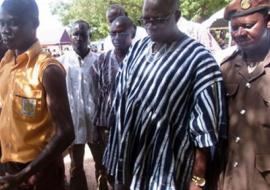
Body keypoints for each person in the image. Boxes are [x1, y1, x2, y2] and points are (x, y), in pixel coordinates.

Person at [103, 0, 227, 189]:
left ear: (176, 16)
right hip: (130, 162)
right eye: (145, 20)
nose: (150, 26)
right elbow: (121, 101)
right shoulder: (138, 49)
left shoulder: (199, 60)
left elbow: (206, 129)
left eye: (158, 20)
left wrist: (197, 179)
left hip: (166, 169)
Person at [0, 0, 75, 189]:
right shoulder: (6, 64)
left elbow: (66, 132)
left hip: (40, 171)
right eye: (1, 23)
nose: (5, 30)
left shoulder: (47, 69)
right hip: (9, 167)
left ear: (34, 23)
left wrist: (25, 174)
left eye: (13, 22)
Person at [218, 0, 270, 189]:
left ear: (268, 21)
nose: (240, 33)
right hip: (229, 177)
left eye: (248, 26)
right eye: (234, 28)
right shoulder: (226, 67)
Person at [58, 20, 108, 190]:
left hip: (96, 125)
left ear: (89, 36)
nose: (79, 38)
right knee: (76, 167)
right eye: (75, 34)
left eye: (83, 34)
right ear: (70, 37)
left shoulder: (100, 60)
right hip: (74, 126)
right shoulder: (61, 63)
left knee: (102, 165)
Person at [94, 15, 135, 186]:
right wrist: (97, 125)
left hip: (132, 127)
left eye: (121, 33)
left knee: (130, 169)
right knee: (109, 168)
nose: (116, 37)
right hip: (107, 127)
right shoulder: (102, 60)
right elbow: (97, 94)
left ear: (132, 32)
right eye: (113, 33)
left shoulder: (141, 58)